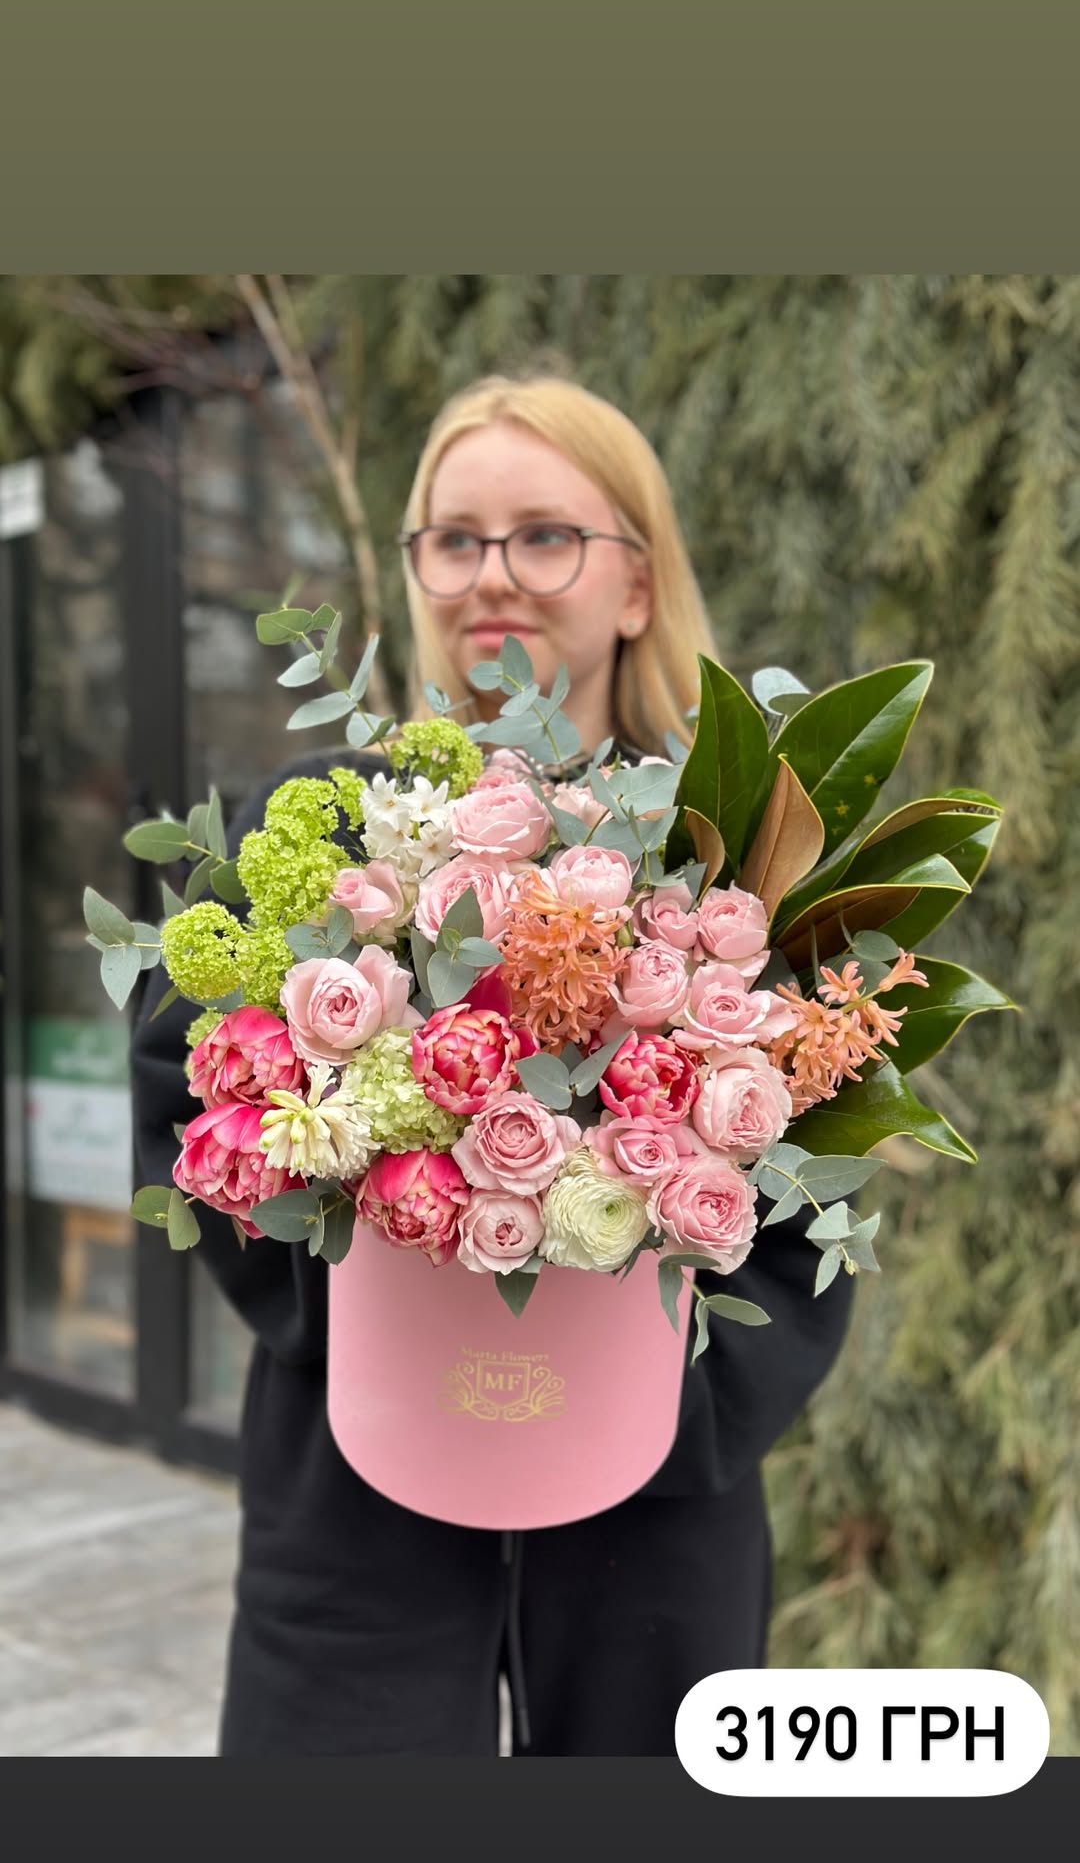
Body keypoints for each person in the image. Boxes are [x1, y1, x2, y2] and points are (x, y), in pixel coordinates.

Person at [130, 373, 853, 1757]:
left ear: (636, 580)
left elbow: (828, 1130)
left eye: (544, 535)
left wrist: (697, 1408)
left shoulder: (735, 861)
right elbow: (185, 1085)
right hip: (356, 1492)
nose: (493, 578)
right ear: (416, 573)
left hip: (659, 1515)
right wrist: (349, 1303)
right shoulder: (332, 833)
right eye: (454, 540)